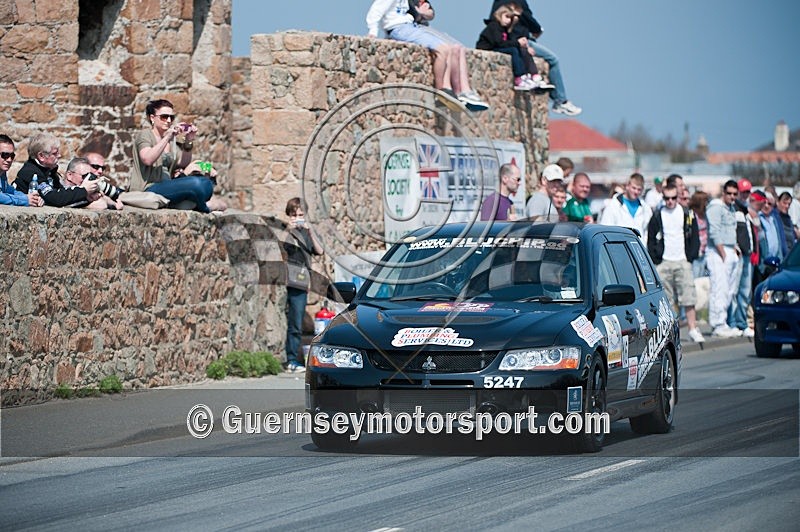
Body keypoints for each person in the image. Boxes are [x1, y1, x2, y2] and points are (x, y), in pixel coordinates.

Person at [366, 0, 489, 111]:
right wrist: (372, 31)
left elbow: (429, 12)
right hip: (399, 28)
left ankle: (452, 92)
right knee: (443, 50)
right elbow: (376, 9)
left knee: (447, 49)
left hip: (409, 26)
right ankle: (442, 91)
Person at [131, 99, 227, 213]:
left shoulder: (171, 142)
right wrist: (167, 137)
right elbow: (147, 159)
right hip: (148, 188)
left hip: (167, 186)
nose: (168, 120)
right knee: (197, 184)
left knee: (205, 182)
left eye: (171, 117)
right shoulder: (145, 135)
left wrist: (189, 140)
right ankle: (204, 207)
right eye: (164, 117)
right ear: (152, 118)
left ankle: (200, 202)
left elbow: (183, 163)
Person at [488, 0, 581, 116]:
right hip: (520, 40)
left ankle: (536, 82)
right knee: (553, 60)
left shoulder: (498, 2)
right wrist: (537, 30)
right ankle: (560, 100)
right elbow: (529, 20)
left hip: (506, 40)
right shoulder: (519, 2)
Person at [646, 183, 705, 343]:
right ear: (663, 197)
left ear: (678, 197)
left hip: (682, 260)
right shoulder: (658, 215)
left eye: (673, 198)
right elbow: (651, 238)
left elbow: (694, 237)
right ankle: (671, 331)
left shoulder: (686, 213)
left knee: (688, 296)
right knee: (666, 299)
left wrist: (690, 257)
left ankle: (693, 329)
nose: (670, 201)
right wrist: (655, 258)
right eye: (667, 198)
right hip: (664, 261)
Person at [283, 197, 323, 372]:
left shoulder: (307, 233)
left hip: (302, 280)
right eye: (294, 215)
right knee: (294, 323)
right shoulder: (286, 232)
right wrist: (290, 230)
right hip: (290, 281)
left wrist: (310, 231)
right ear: (289, 216)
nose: (298, 218)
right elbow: (283, 248)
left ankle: (294, 358)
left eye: (301, 214)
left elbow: (320, 251)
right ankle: (291, 360)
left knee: (297, 320)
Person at [476, 3, 553, 91]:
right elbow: (499, 43)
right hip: (489, 48)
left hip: (497, 47)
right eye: (506, 17)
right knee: (513, 50)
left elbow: (507, 42)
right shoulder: (494, 26)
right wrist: (517, 43)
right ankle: (519, 78)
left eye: (510, 18)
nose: (508, 20)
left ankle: (531, 76)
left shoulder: (505, 29)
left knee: (522, 50)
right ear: (499, 15)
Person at [13, 133, 102, 207]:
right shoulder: (30, 172)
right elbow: (54, 199)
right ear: (41, 156)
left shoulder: (49, 172)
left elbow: (63, 199)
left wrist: (87, 198)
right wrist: (83, 190)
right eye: (55, 153)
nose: (59, 156)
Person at [705, 180, 743, 338]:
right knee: (719, 289)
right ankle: (717, 323)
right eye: (729, 193)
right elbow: (714, 232)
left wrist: (733, 248)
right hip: (718, 251)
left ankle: (724, 321)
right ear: (724, 193)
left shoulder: (731, 208)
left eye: (735, 194)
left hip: (729, 249)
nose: (732, 196)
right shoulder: (716, 207)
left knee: (729, 290)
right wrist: (723, 253)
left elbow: (730, 230)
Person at [727, 185, 762, 338]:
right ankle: (734, 322)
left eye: (747, 192)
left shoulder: (745, 210)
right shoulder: (733, 209)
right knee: (735, 291)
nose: (744, 195)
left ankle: (741, 322)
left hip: (747, 256)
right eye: (742, 192)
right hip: (739, 256)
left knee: (745, 292)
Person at [598, 173, 652, 243]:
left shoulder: (646, 208)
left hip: (639, 250)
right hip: (619, 249)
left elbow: (647, 232)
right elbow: (604, 229)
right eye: (634, 188)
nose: (636, 192)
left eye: (639, 189)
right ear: (627, 186)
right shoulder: (613, 205)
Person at [0, 134, 42, 207]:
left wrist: (33, 198)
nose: (9, 160)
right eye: (5, 155)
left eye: (12, 156)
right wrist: (25, 200)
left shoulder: (2, 174)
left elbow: (10, 191)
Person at [688, 190, 710, 278]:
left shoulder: (706, 215)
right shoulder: (691, 215)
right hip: (696, 254)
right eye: (705, 201)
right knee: (696, 280)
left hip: (706, 252)